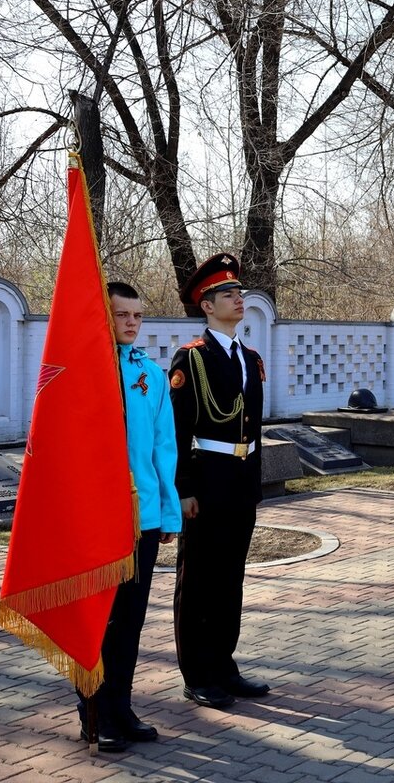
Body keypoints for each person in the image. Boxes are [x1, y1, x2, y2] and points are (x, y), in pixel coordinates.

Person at [76, 282, 181, 752]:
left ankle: (121, 705)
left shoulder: (150, 375)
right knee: (100, 618)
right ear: (105, 316)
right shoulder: (82, 372)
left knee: (131, 620)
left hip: (143, 516)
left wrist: (169, 512)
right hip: (98, 517)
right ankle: (93, 711)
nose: (133, 323)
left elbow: (163, 447)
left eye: (138, 315)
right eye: (123, 315)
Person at [169, 253, 269, 709]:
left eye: (239, 292)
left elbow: (255, 424)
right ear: (207, 306)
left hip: (240, 478)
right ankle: (198, 672)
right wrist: (184, 488)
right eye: (228, 293)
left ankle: (224, 665)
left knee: (231, 577)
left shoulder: (250, 357)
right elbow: (179, 429)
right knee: (199, 580)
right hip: (207, 480)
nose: (238, 298)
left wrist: (255, 480)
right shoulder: (192, 358)